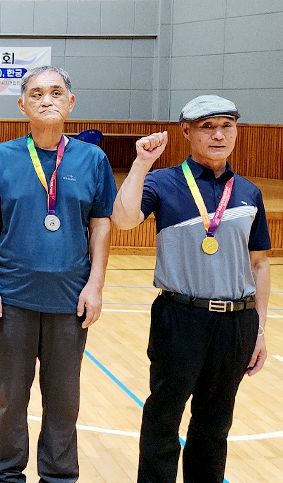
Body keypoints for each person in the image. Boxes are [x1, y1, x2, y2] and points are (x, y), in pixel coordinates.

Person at [111, 95, 270, 483]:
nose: (218, 135)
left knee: (215, 426)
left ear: (236, 130)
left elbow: (260, 263)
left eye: (226, 126)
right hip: (179, 318)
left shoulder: (248, 192)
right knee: (164, 417)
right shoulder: (163, 182)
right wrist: (141, 164)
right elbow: (123, 219)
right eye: (207, 126)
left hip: (235, 322)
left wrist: (260, 329)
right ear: (186, 131)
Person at [0, 65, 117, 482]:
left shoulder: (93, 159)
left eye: (56, 92)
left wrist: (96, 285)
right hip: (12, 298)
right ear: (22, 106)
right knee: (10, 399)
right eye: (36, 94)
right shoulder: (1, 157)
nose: (46, 100)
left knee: (63, 401)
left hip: (70, 301)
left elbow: (102, 224)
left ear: (71, 102)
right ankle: (6, 474)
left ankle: (58, 476)